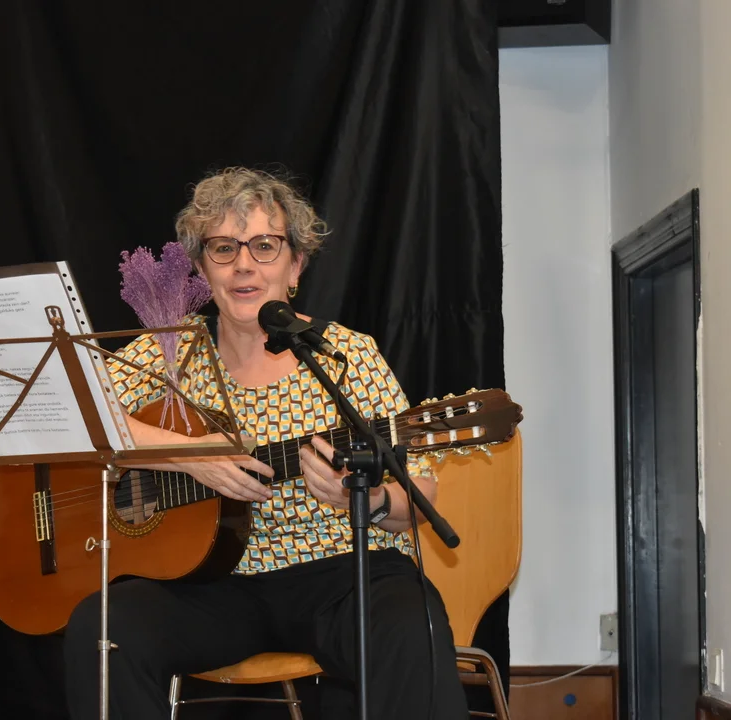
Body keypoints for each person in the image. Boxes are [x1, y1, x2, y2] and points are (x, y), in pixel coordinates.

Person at [63, 167, 469, 719]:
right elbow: (73, 415)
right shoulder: (169, 352)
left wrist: (366, 499)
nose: (243, 265)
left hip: (340, 577)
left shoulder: (345, 355)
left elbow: (418, 494)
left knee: (409, 622)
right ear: (202, 268)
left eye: (264, 246)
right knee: (103, 628)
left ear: (295, 265)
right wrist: (188, 455)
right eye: (223, 248)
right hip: (211, 585)